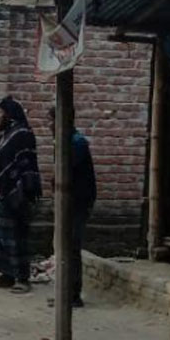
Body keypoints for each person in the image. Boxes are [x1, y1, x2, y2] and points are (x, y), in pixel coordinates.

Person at [0, 96, 42, 293]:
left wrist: (16, 187)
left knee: (15, 235)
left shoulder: (22, 134)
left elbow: (23, 164)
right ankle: (5, 274)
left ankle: (22, 278)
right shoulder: (6, 134)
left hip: (15, 194)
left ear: (8, 114)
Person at [48, 106, 96, 308]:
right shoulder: (67, 141)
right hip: (69, 200)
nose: (49, 125)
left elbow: (65, 172)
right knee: (64, 246)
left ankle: (73, 294)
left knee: (72, 246)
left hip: (77, 201)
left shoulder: (76, 143)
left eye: (52, 120)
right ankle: (65, 292)